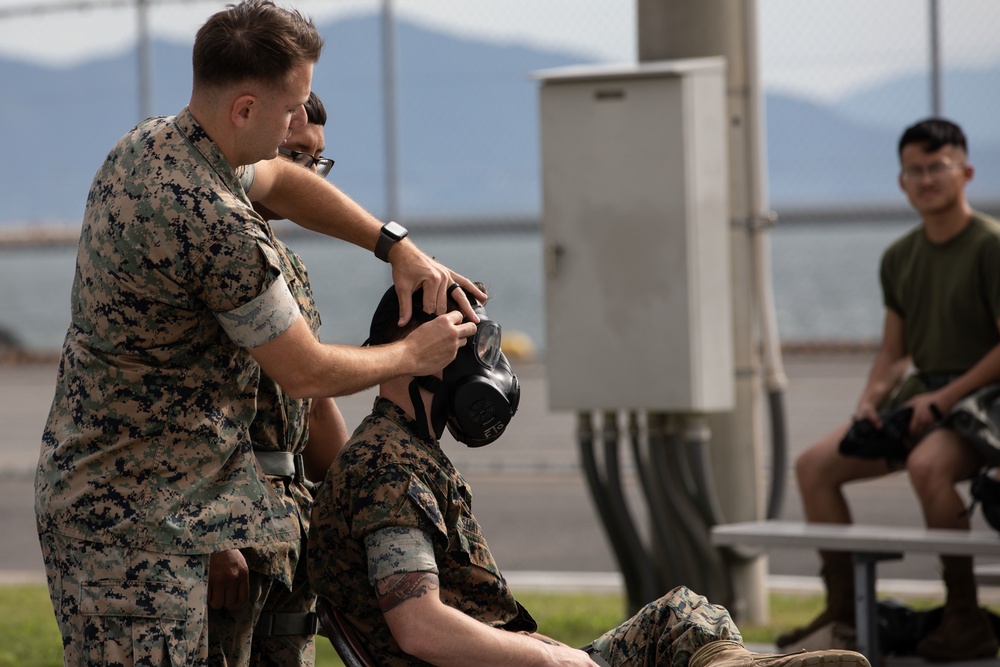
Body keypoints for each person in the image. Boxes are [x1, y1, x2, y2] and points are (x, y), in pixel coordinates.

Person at [34, 1, 485, 664]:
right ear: (244, 108)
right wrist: (413, 352)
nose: (291, 128)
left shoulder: (156, 146)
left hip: (134, 507)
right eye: (288, 110)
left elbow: (277, 179)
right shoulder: (216, 224)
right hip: (137, 532)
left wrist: (393, 244)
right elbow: (301, 372)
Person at [307, 284, 871, 667]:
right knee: (680, 622)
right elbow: (420, 626)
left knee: (683, 618)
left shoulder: (406, 450)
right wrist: (553, 658)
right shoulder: (387, 469)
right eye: (466, 344)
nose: (482, 366)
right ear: (425, 353)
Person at [776, 118, 1000, 661]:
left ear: (965, 172)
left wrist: (943, 401)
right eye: (914, 170)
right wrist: (870, 400)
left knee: (928, 466)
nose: (926, 179)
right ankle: (847, 615)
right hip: (921, 402)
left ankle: (965, 616)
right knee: (813, 467)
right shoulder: (899, 257)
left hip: (981, 406)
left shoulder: (990, 245)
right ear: (901, 181)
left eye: (938, 167)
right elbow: (895, 351)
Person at [207, 91, 349, 666]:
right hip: (227, 530)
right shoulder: (208, 242)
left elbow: (308, 402)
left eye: (316, 160)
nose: (306, 174)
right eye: (293, 155)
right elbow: (170, 403)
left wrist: (356, 503)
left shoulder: (288, 266)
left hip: (287, 536)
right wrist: (213, 537)